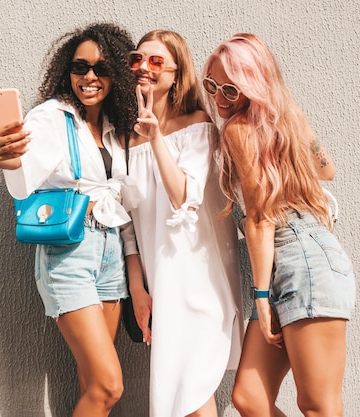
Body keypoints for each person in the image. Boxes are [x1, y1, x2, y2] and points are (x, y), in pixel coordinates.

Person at [0, 23, 138, 417]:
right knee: (108, 385)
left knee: (91, 383)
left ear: (115, 75)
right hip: (69, 255)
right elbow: (21, 178)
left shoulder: (117, 129)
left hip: (111, 254)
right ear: (66, 71)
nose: (89, 77)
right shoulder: (51, 117)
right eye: (80, 67)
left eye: (101, 69)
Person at [201, 33, 356, 417]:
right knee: (250, 397)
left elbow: (259, 217)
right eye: (213, 86)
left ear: (252, 87)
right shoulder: (285, 118)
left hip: (299, 258)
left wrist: (260, 296)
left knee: (318, 405)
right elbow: (327, 169)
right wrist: (287, 121)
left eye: (231, 90)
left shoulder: (238, 130)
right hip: (297, 260)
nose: (220, 99)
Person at [124, 30, 243, 417]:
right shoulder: (122, 139)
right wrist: (137, 286)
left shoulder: (197, 126)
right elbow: (125, 221)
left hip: (196, 280)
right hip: (160, 284)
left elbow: (182, 197)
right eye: (137, 59)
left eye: (157, 61)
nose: (144, 67)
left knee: (191, 394)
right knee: (182, 398)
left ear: (177, 74)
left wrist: (156, 138)